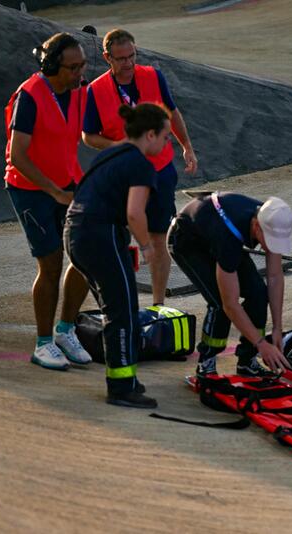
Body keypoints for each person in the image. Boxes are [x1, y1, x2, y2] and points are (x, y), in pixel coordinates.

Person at [65, 103, 171, 408]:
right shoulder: (139, 164)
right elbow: (135, 213)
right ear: (150, 134)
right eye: (165, 137)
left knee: (117, 308)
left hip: (76, 232)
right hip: (101, 234)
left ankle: (126, 379)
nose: (167, 144)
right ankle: (121, 387)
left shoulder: (110, 153)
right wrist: (147, 246)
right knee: (122, 310)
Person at [83, 29, 198, 308]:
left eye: (132, 56)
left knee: (160, 239)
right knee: (117, 239)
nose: (128, 63)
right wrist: (120, 144)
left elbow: (172, 111)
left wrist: (187, 147)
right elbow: (88, 135)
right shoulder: (95, 90)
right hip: (120, 174)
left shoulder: (153, 76)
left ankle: (158, 305)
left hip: (158, 170)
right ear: (107, 57)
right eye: (121, 58)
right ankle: (124, 306)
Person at [3, 32, 93, 371]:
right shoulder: (30, 95)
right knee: (51, 262)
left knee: (85, 254)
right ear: (52, 65)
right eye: (73, 67)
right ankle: (43, 344)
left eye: (82, 65)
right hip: (30, 188)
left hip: (68, 181)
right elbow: (19, 155)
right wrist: (54, 191)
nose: (79, 73)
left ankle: (66, 330)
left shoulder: (78, 91)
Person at [167, 193, 292, 377]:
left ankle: (247, 361)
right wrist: (261, 343)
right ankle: (207, 363)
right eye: (271, 241)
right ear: (257, 227)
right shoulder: (228, 235)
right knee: (219, 303)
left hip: (216, 234)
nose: (273, 247)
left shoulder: (272, 218)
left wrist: (276, 328)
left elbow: (274, 277)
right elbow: (231, 304)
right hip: (188, 242)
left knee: (258, 293)